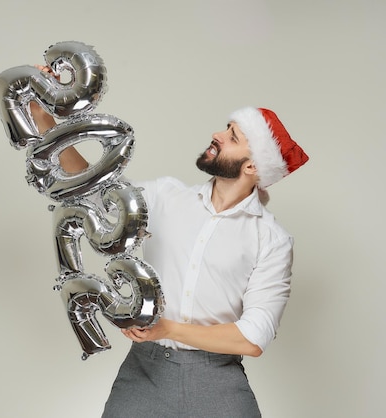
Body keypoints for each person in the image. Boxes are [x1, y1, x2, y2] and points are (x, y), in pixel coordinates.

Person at [30, 68, 308, 417]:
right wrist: (44, 119)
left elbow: (253, 338)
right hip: (143, 374)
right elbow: (96, 191)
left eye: (233, 136)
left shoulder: (271, 240)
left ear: (252, 165)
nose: (217, 134)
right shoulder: (164, 197)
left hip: (217, 382)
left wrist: (166, 328)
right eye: (226, 127)